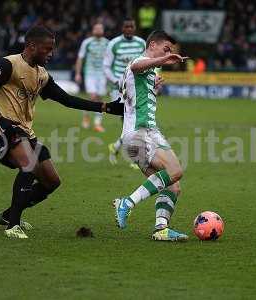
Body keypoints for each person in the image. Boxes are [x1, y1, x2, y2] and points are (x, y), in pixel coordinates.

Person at [0, 25, 123, 239]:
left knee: (52, 181)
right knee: (29, 163)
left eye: (52, 49)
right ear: (32, 46)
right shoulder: (9, 64)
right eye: (47, 49)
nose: (51, 53)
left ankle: (7, 215)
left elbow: (67, 100)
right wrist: (0, 120)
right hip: (3, 133)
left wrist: (106, 107)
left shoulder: (41, 75)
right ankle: (13, 226)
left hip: (26, 133)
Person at [113, 30, 189, 241]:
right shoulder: (139, 61)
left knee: (173, 186)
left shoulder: (148, 72)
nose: (168, 54)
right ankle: (126, 203)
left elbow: (130, 92)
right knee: (175, 170)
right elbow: (136, 65)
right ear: (153, 44)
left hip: (137, 136)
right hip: (142, 133)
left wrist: (153, 88)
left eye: (170, 51)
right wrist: (165, 58)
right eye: (166, 49)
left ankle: (160, 229)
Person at [103, 18, 145, 169]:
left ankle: (116, 146)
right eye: (126, 26)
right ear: (122, 28)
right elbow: (106, 66)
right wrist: (115, 80)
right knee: (130, 122)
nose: (129, 29)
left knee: (134, 121)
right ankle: (135, 157)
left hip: (136, 87)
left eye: (131, 26)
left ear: (135, 28)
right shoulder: (113, 44)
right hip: (118, 89)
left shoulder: (141, 43)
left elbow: (148, 62)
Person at [75, 23, 109, 132]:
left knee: (99, 98)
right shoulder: (87, 42)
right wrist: (78, 73)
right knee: (93, 96)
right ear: (93, 30)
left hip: (102, 74)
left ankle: (97, 124)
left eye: (100, 28)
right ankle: (86, 117)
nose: (98, 30)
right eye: (96, 28)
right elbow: (80, 58)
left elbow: (110, 60)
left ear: (103, 30)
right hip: (90, 73)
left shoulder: (107, 43)